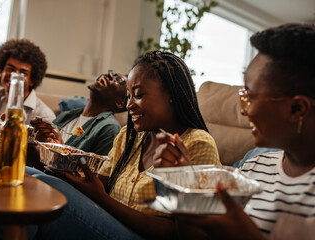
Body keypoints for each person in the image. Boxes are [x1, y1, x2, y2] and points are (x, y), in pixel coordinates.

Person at [21, 50, 220, 240]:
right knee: (29, 176)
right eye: (128, 97)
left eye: (139, 95)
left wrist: (102, 199)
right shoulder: (128, 136)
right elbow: (99, 186)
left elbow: (180, 234)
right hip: (107, 221)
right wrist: (63, 162)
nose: (128, 105)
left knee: (47, 190)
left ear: (171, 96)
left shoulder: (198, 144)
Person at [174, 23, 315, 240]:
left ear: (296, 109)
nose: (244, 110)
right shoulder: (254, 168)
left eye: (249, 96)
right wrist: (183, 190)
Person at [30, 70, 127, 156]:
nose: (109, 74)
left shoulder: (110, 129)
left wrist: (61, 150)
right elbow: (42, 156)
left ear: (120, 103)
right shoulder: (67, 115)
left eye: (118, 80)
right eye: (111, 72)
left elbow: (94, 175)